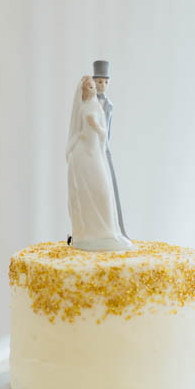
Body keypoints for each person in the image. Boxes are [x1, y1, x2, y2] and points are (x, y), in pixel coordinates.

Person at [66, 75, 132, 251]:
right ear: (82, 91)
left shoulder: (98, 108)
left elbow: (104, 135)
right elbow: (77, 132)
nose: (92, 89)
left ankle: (107, 231)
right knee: (86, 195)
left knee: (103, 191)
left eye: (92, 86)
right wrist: (72, 151)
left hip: (95, 154)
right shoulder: (82, 109)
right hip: (82, 155)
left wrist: (94, 125)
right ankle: (88, 234)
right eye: (88, 87)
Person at [93, 59, 129, 238]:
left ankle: (118, 230)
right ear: (93, 82)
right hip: (91, 150)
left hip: (104, 150)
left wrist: (105, 147)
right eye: (100, 82)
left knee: (111, 189)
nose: (103, 86)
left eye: (106, 82)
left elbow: (109, 132)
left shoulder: (110, 105)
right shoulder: (88, 105)